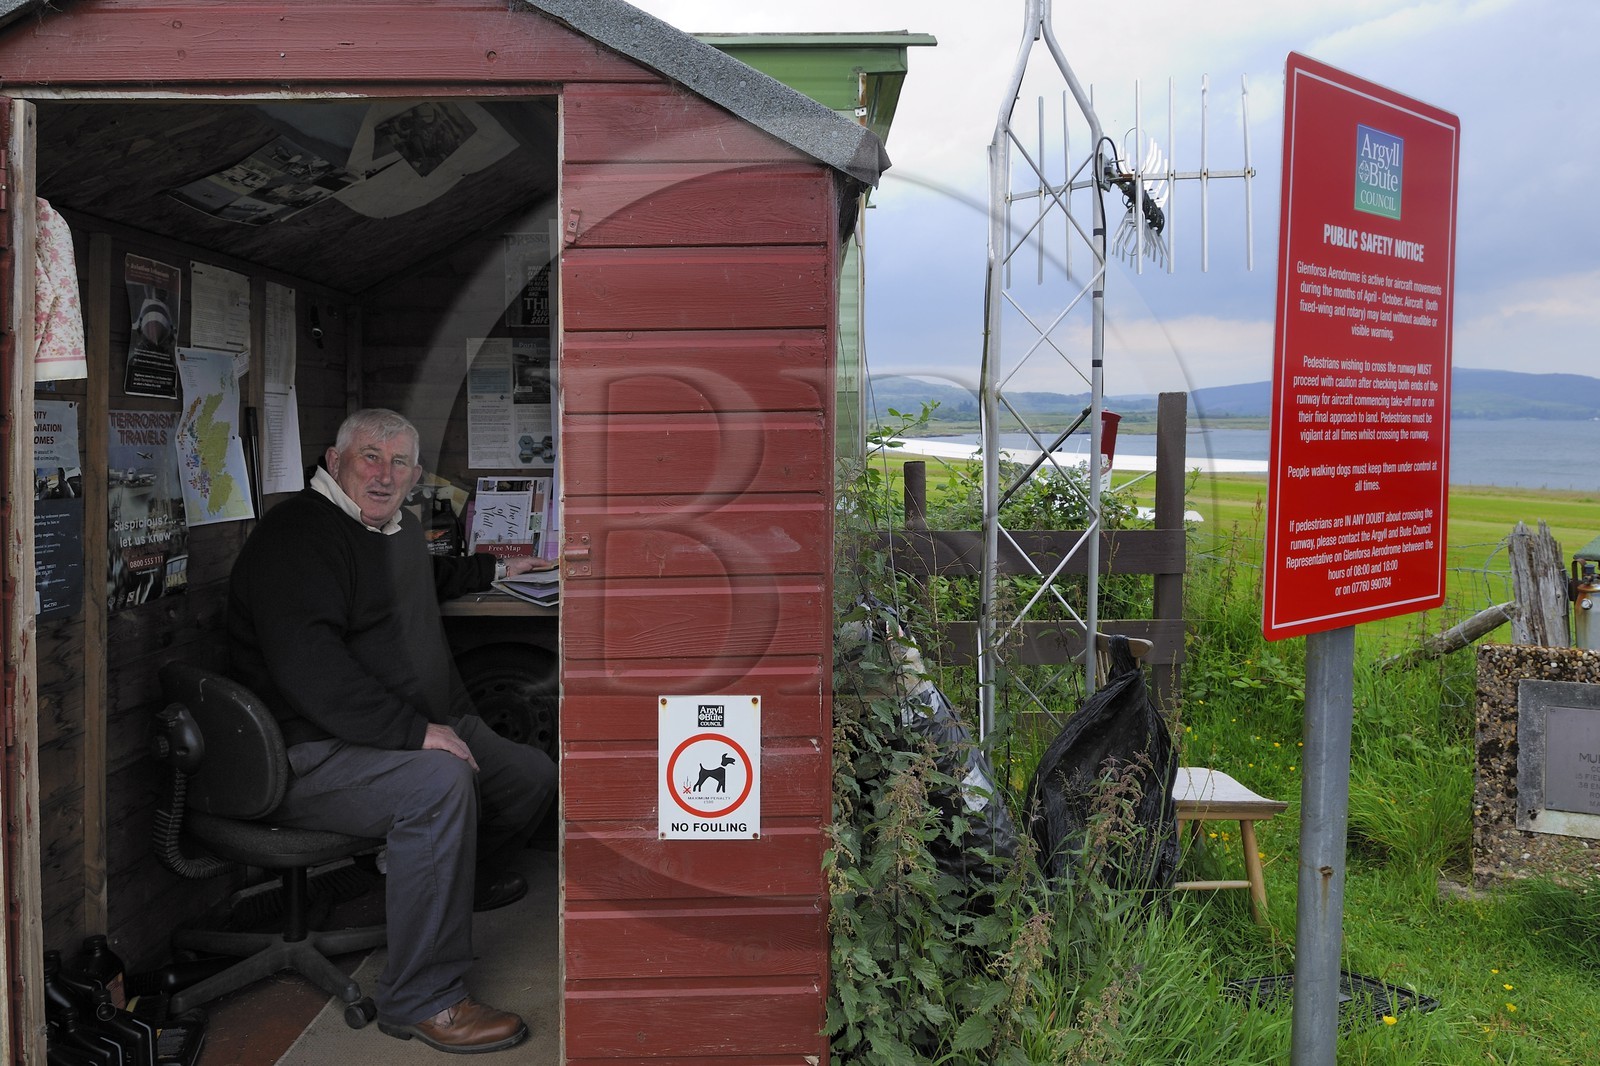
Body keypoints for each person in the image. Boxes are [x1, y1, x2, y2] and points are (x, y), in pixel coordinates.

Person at [226, 408, 558, 1054]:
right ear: (334, 460)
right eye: (369, 458)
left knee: (530, 777)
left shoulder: (389, 528)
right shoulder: (297, 539)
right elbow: (313, 674)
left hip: (384, 730)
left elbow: (420, 578)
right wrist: (416, 734)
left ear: (414, 475)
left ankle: (450, 879)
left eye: (399, 462)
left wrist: (495, 570)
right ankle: (422, 996)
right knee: (440, 782)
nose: (384, 474)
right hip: (305, 752)